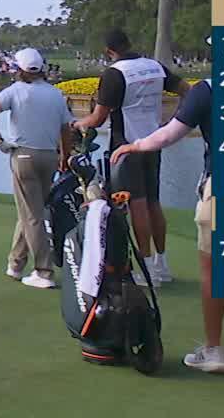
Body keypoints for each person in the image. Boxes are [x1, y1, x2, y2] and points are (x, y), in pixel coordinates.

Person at [112, 75, 224, 383]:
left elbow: (168, 135)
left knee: (214, 273)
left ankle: (214, 351)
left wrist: (135, 146)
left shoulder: (208, 89)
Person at [72, 28, 187, 283]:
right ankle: (162, 265)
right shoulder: (154, 66)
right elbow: (186, 91)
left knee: (137, 203)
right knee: (153, 202)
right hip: (153, 141)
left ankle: (147, 271)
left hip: (126, 146)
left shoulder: (115, 74)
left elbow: (99, 118)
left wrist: (78, 124)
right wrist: (174, 122)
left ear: (109, 51)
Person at [0, 47, 75, 288]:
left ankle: (44, 272)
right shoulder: (56, 94)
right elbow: (66, 129)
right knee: (30, 210)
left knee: (32, 214)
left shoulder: (14, 91)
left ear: (18, 69)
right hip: (50, 157)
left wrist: (1, 143)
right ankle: (15, 264)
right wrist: (65, 156)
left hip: (23, 157)